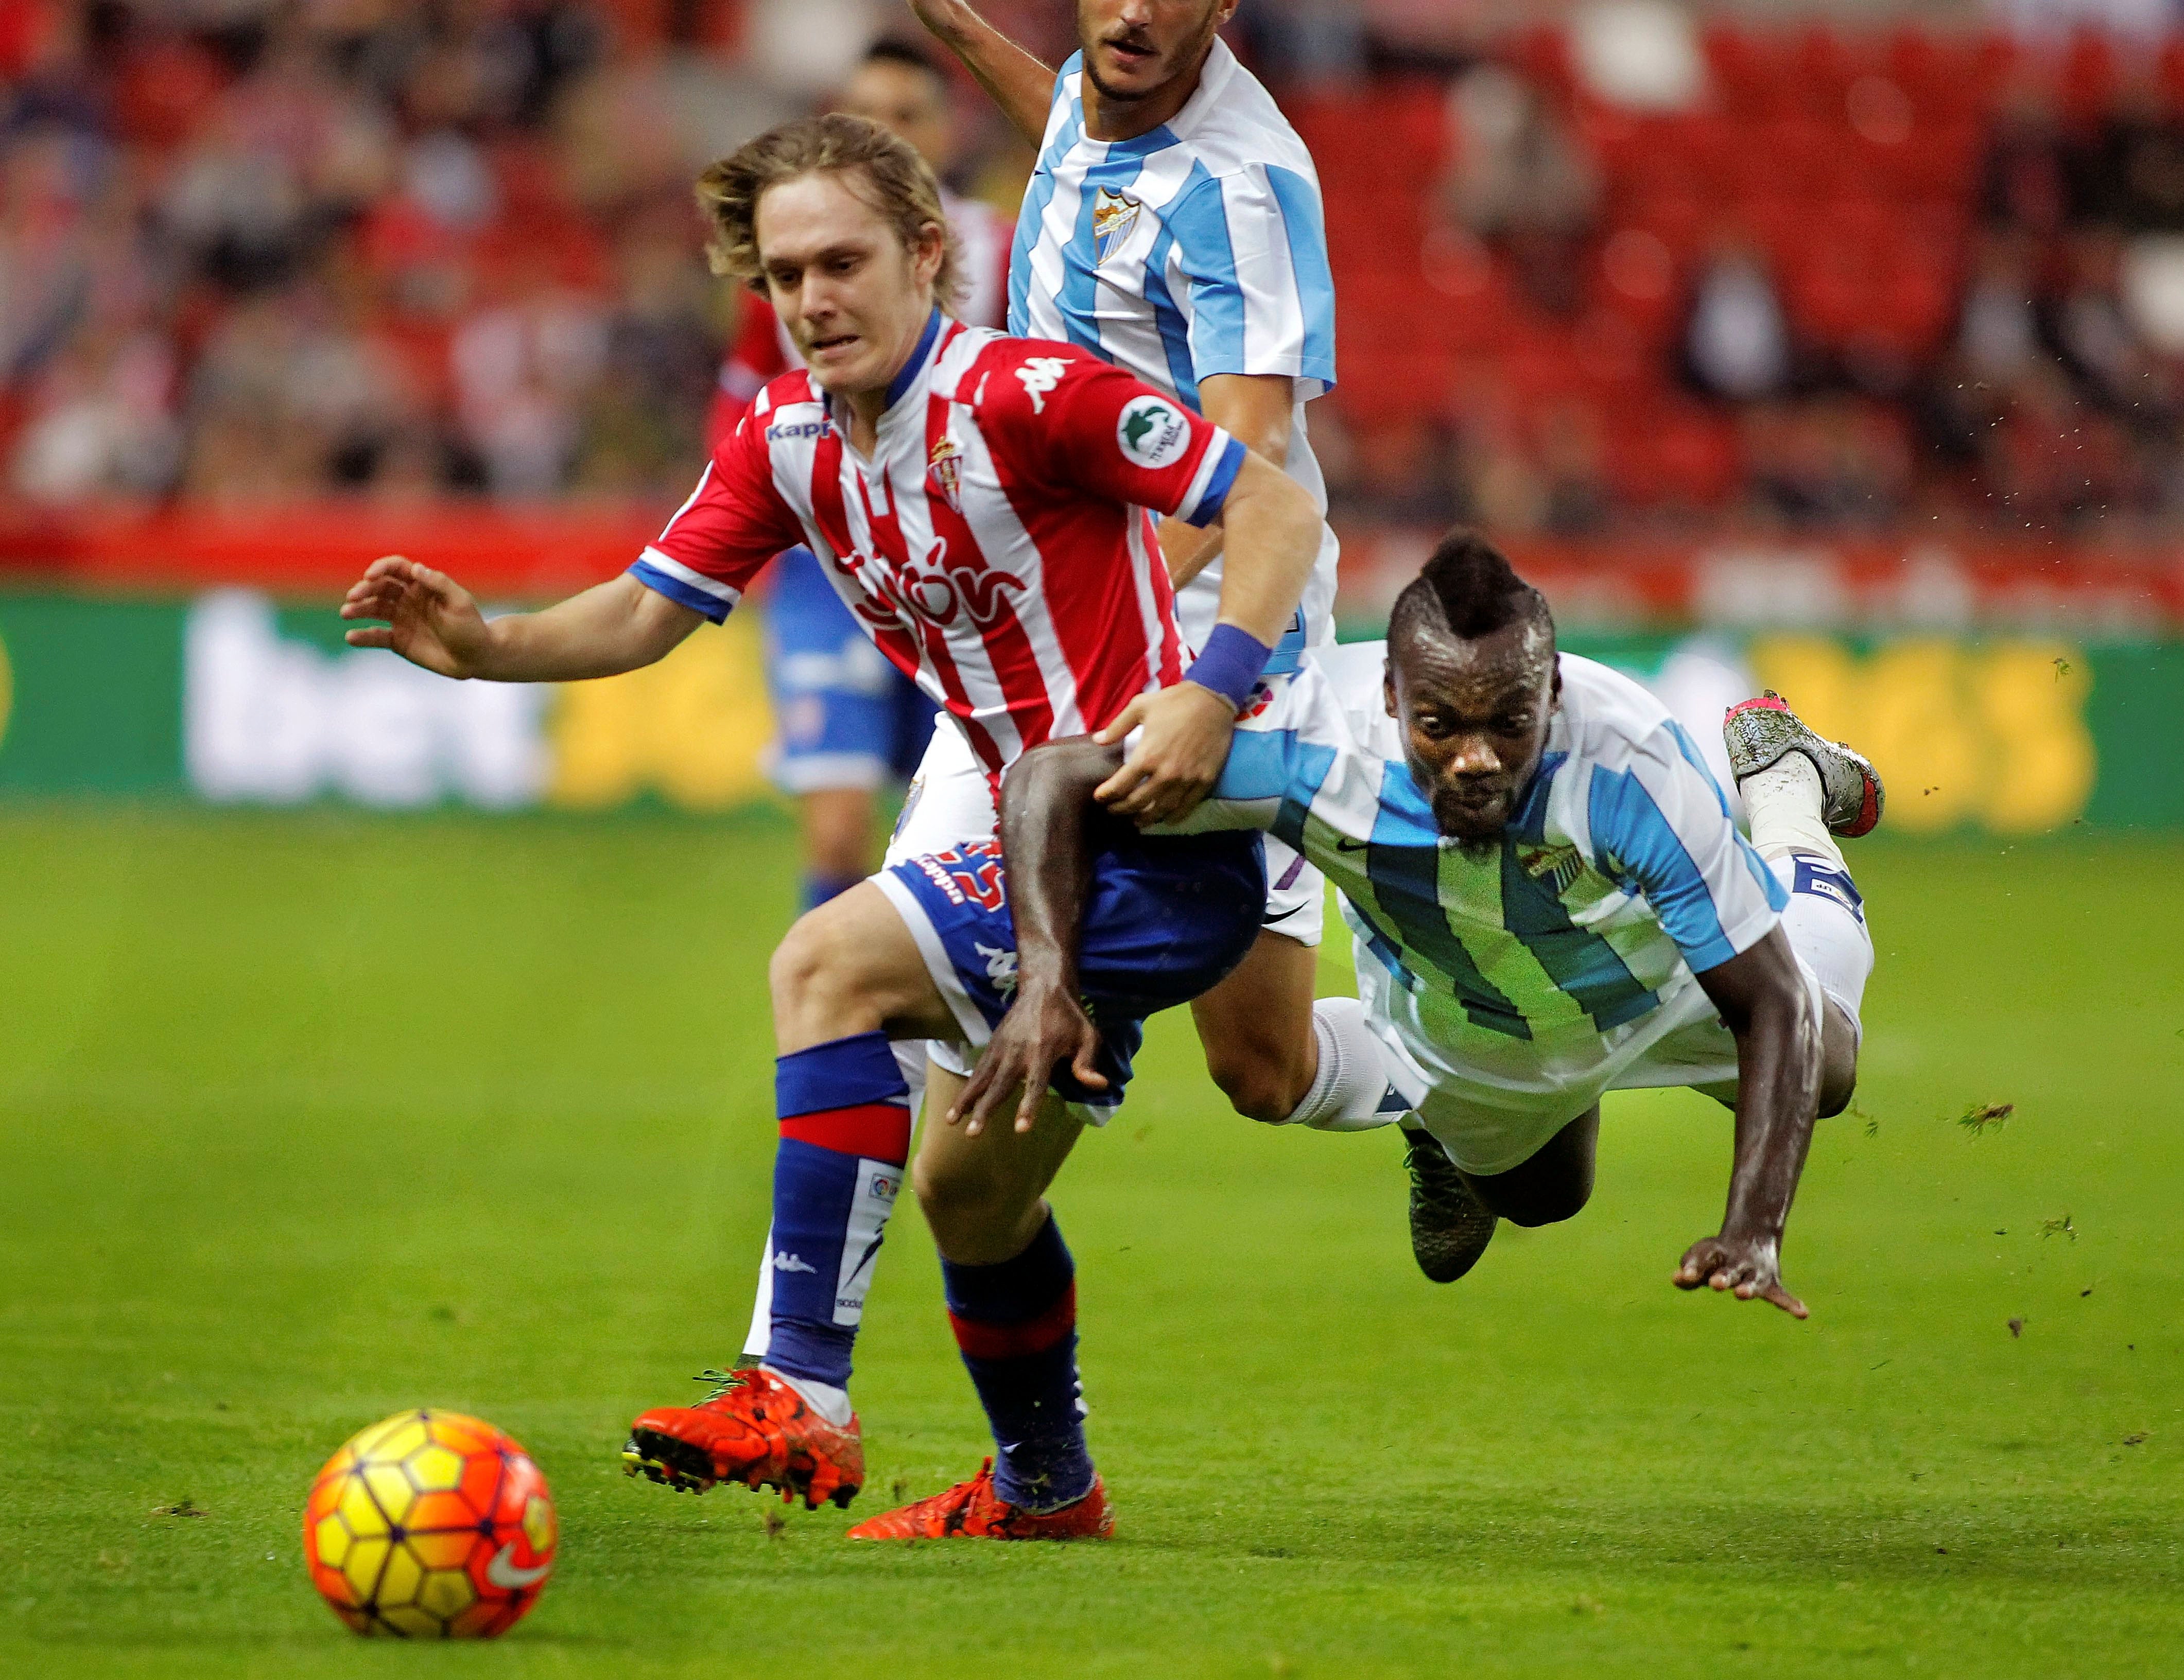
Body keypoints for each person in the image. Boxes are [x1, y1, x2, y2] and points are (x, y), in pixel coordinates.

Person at [340, 113, 1323, 1518]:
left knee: (821, 964)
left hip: (1151, 839)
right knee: (966, 1195)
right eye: (786, 274)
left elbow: (1276, 511)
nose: (812, 299)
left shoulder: (1034, 395)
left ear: (926, 254)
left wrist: (1215, 691)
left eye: (842, 262)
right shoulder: (785, 441)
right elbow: (639, 610)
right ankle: (1049, 1489)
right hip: (1027, 842)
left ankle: (795, 1392)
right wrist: (486, 646)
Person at [940, 530, 1882, 1446]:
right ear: (1391, 698)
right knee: (1546, 1197)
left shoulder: (1630, 761)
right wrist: (1046, 981)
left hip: (1661, 971)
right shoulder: (1306, 743)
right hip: (1478, 1012)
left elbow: (1769, 1004)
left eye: (1509, 725)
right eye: (1440, 726)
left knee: (1823, 1065)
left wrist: (1752, 1228)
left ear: (1550, 694)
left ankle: (1784, 782)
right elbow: (1050, 778)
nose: (1474, 758)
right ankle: (1429, 1108)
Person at [901, 0, 1476, 1271]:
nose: (1136, 10)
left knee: (1260, 1070)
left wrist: (1101, 596)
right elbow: (1056, 111)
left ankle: (1457, 1087)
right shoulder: (1092, 91)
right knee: (895, 978)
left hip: (1216, 644)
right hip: (1075, 634)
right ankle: (802, 1369)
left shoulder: (1241, 186)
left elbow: (1254, 452)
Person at [710, 40, 1013, 917]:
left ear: (948, 130)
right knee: (838, 831)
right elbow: (739, 404)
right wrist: (752, 541)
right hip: (831, 573)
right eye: (864, 115)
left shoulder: (1004, 247)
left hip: (966, 581)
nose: (886, 133)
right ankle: (841, 1031)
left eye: (907, 114)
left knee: (960, 848)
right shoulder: (792, 266)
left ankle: (949, 1034)